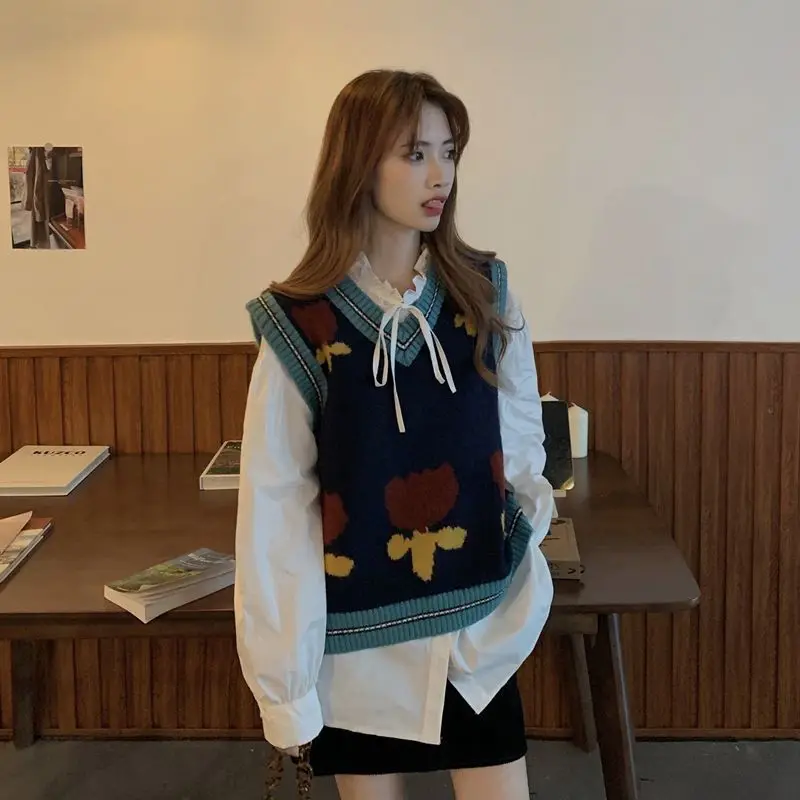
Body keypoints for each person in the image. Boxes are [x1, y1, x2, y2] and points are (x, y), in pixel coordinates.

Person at [234, 69, 555, 800]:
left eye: (448, 152)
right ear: (358, 163)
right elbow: (277, 507)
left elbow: (521, 440)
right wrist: (286, 686)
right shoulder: (300, 322)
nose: (440, 175)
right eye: (414, 154)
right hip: (359, 646)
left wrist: (522, 535)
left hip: (476, 631)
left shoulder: (486, 292)